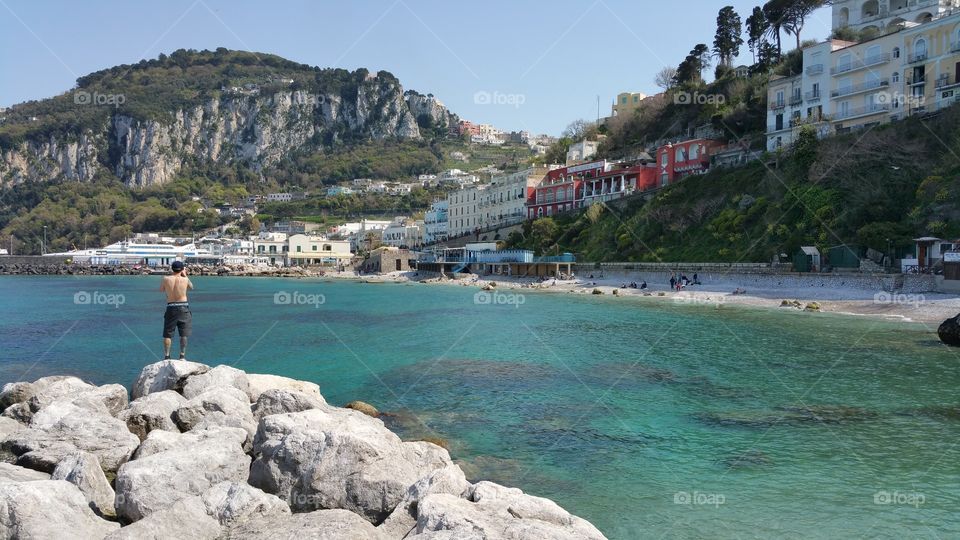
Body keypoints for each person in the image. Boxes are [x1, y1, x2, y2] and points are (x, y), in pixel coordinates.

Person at [160, 261, 194, 360]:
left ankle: (167, 356)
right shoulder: (185, 280)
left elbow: (161, 289)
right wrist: (185, 275)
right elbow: (191, 287)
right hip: (183, 307)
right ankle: (182, 356)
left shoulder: (166, 279)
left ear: (172, 269)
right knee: (183, 333)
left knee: (168, 333)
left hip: (171, 307)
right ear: (182, 269)